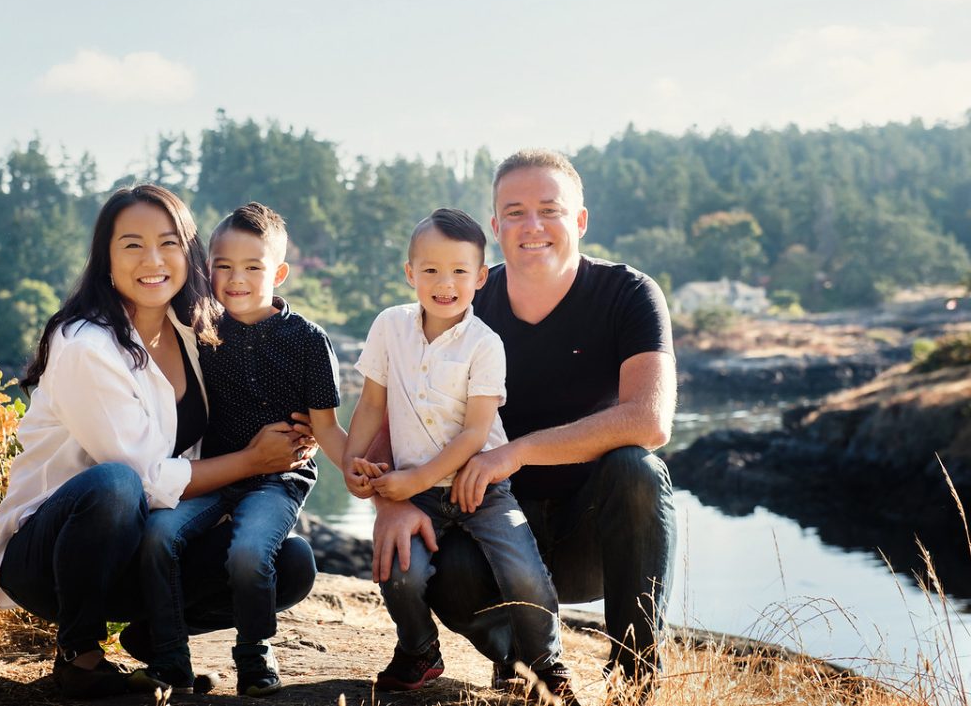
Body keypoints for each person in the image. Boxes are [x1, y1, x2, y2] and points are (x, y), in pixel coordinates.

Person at [371, 149, 677, 701]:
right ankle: (518, 665)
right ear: (495, 227)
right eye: (514, 212)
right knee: (437, 564)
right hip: (484, 521)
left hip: (593, 537)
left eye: (549, 209)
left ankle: (636, 676)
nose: (531, 226)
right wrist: (391, 501)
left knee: (639, 468)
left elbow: (650, 420)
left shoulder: (628, 295)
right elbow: (394, 409)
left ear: (580, 221)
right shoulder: (461, 301)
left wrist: (516, 451)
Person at [0, 185, 319, 700]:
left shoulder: (196, 331)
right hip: (55, 556)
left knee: (290, 564)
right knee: (116, 485)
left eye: (168, 243)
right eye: (132, 245)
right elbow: (143, 480)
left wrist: (301, 432)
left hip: (145, 552)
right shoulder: (85, 342)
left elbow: (253, 390)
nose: (152, 260)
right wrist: (252, 459)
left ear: (189, 255)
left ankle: (155, 637)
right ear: (106, 257)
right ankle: (80, 658)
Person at [343, 208, 575, 701]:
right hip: (417, 490)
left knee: (522, 573)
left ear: (480, 278)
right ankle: (419, 649)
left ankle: (544, 667)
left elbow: (474, 433)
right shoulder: (389, 327)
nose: (443, 283)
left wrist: (417, 477)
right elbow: (371, 405)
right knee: (399, 571)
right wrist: (352, 463)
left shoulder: (485, 344)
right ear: (410, 274)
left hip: (482, 487)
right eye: (430, 270)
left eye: (458, 272)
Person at [143, 202, 347, 697]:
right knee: (157, 534)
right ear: (207, 268)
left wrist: (365, 475)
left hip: (279, 480)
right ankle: (169, 660)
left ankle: (254, 652)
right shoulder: (201, 329)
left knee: (251, 552)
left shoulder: (308, 341)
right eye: (223, 266)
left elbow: (328, 429)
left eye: (253, 267)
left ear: (278, 272)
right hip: (215, 472)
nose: (237, 279)